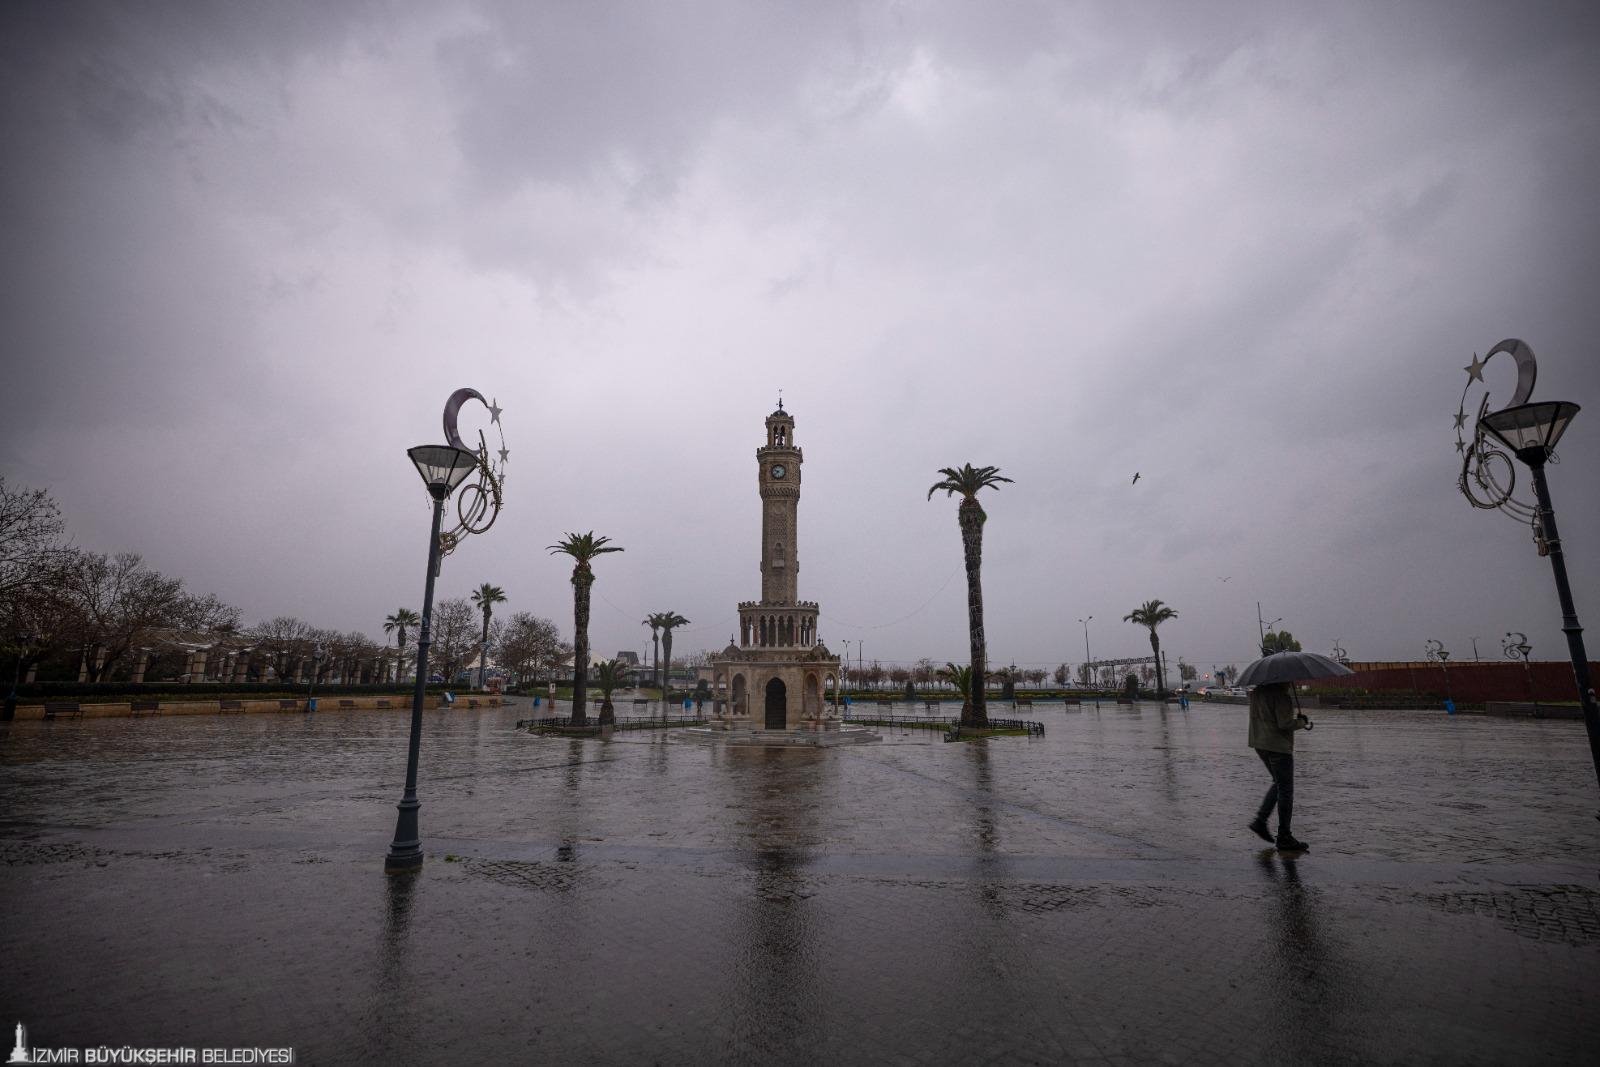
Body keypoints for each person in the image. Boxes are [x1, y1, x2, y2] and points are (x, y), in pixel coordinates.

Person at [1247, 681, 1311, 851]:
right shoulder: (1281, 696)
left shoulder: (1256, 693)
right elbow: (1284, 724)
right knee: (1286, 790)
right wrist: (1301, 722)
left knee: (1279, 783)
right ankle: (1284, 836)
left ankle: (1260, 821)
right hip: (1278, 747)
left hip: (1259, 744)